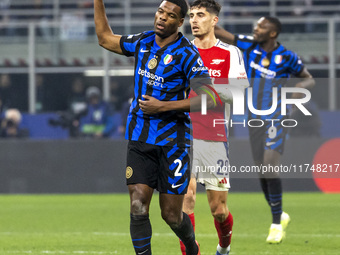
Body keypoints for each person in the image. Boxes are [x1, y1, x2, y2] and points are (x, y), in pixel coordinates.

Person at [94, 0, 216, 254]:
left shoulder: (187, 54)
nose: (162, 17)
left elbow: (209, 98)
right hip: (140, 137)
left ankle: (192, 247)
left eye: (171, 15)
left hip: (174, 142)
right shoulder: (143, 41)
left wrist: (162, 106)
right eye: (161, 11)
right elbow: (105, 38)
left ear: (179, 22)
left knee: (171, 215)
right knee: (138, 204)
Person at [215, 16, 315, 243]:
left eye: (261, 26)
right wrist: (198, 12)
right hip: (253, 116)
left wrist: (301, 86)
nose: (255, 28)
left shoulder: (287, 57)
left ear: (272, 33)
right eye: (256, 25)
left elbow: (309, 79)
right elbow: (220, 31)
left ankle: (276, 224)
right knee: (261, 170)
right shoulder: (249, 44)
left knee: (270, 165)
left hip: (277, 116)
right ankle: (279, 212)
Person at [175, 1, 249, 255]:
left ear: (214, 20)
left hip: (214, 137)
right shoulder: (181, 51)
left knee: (218, 210)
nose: (194, 20)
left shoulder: (230, 53)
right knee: (187, 198)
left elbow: (239, 92)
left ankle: (224, 248)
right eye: (191, 16)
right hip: (182, 134)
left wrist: (207, 90)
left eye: (200, 15)